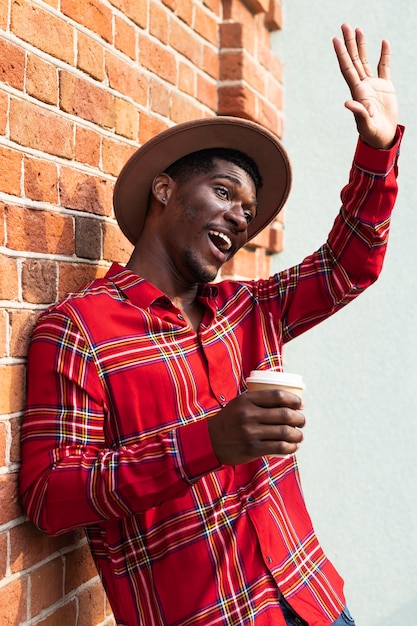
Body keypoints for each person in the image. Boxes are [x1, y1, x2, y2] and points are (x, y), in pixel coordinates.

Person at [20, 23, 403, 626]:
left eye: (249, 210)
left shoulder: (252, 309)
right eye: (224, 192)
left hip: (317, 600)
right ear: (164, 190)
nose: (241, 218)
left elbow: (347, 267)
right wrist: (207, 443)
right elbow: (49, 497)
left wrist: (377, 153)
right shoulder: (79, 330)